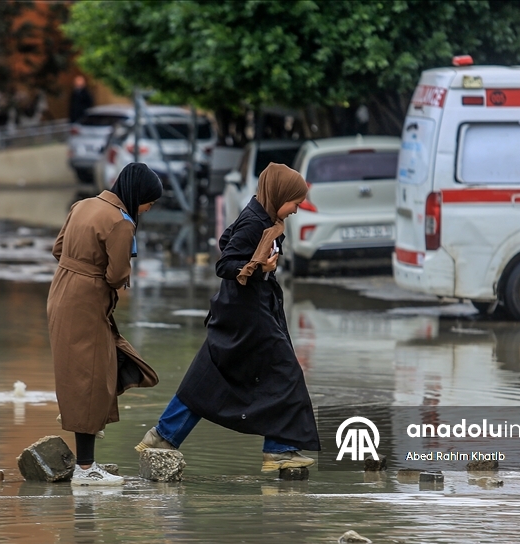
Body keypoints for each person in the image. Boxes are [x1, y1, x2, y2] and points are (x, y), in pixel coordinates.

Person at [135, 163, 321, 471]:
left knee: (209, 377)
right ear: (279, 195)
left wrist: (259, 265)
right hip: (246, 315)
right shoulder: (254, 222)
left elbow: (225, 239)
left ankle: (163, 436)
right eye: (294, 203)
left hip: (247, 310)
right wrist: (258, 267)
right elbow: (224, 264)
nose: (296, 210)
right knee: (285, 374)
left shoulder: (265, 217)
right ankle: (279, 450)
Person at [48, 163, 163, 485]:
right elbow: (115, 276)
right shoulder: (120, 222)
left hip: (60, 292)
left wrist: (79, 267)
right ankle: (85, 470)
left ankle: (87, 459)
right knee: (90, 378)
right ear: (138, 195)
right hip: (86, 302)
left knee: (84, 373)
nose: (149, 208)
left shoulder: (82, 205)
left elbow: (58, 249)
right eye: (149, 202)